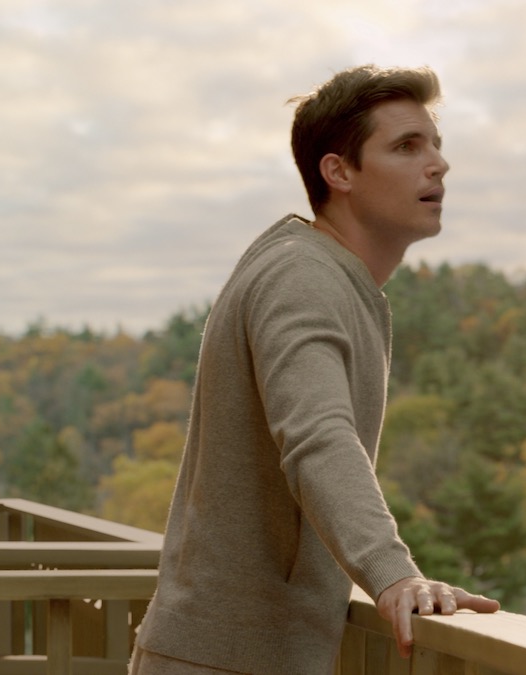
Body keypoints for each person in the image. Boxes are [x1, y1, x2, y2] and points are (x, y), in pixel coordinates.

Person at [130, 65, 500, 674]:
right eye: (407, 146)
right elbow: (318, 436)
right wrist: (392, 572)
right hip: (225, 661)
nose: (438, 163)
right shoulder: (301, 277)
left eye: (435, 143)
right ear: (339, 171)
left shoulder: (318, 272)